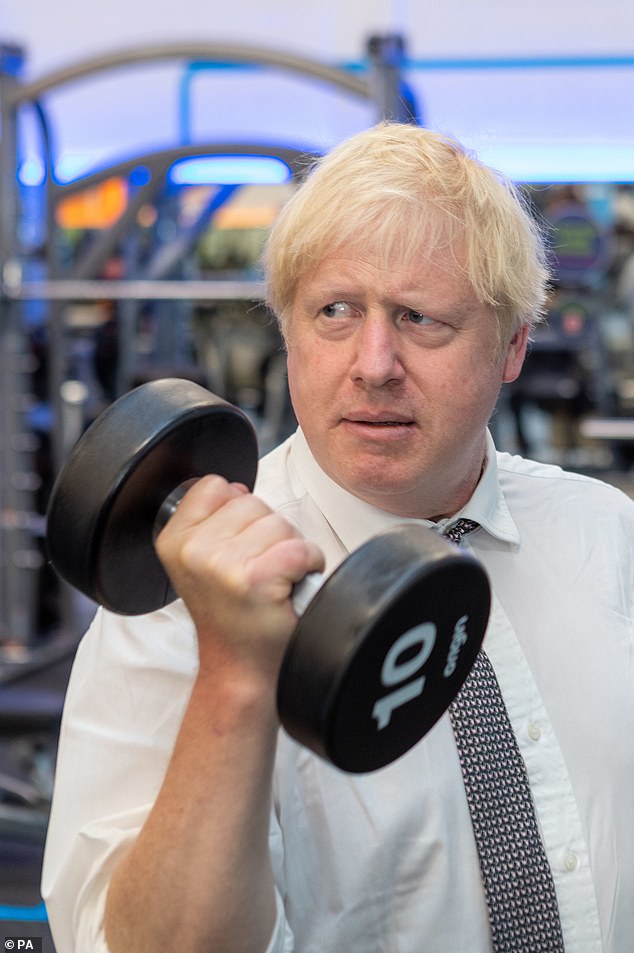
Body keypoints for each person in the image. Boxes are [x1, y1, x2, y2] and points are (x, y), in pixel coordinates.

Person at [42, 122, 634, 953]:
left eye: (421, 318)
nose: (374, 362)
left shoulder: (608, 535)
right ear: (288, 331)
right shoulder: (186, 602)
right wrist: (236, 675)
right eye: (336, 311)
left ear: (513, 346)